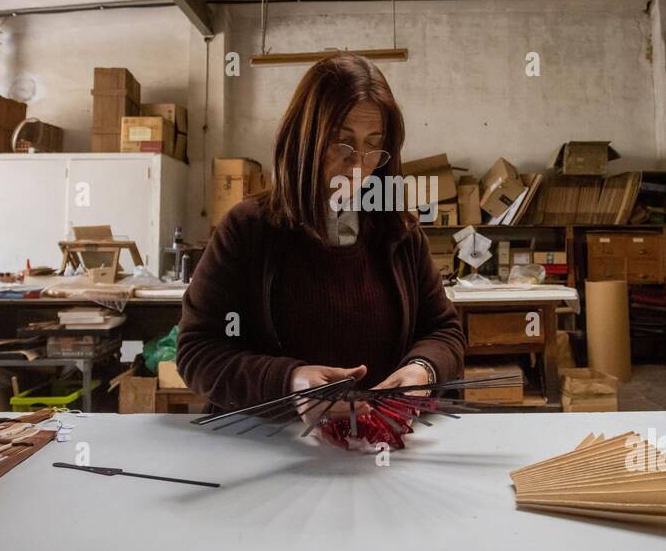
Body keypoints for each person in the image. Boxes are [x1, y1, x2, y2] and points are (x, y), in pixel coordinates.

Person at [176, 53, 465, 444]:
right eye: (341, 145)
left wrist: (421, 372)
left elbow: (443, 329)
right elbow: (198, 350)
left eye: (373, 147)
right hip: (270, 448)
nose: (359, 168)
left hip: (373, 447)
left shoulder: (397, 231)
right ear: (304, 140)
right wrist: (292, 383)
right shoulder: (248, 228)